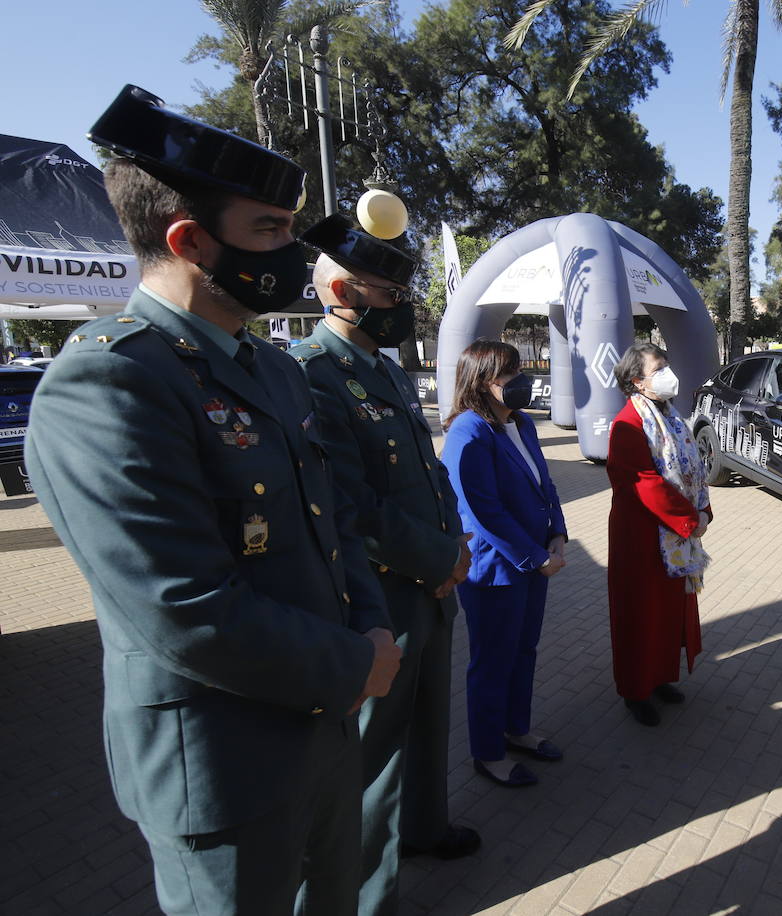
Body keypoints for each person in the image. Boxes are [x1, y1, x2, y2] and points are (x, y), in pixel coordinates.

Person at [23, 85, 401, 915]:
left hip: (327, 734)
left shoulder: (267, 366)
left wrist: (373, 627)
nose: (295, 254)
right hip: (227, 773)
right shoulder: (109, 382)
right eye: (269, 231)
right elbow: (181, 607)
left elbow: (333, 521)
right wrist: (354, 663)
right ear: (189, 241)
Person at [291, 215, 477, 915]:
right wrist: (435, 557)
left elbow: (426, 475)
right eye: (391, 293)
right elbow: (352, 506)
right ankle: (371, 895)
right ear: (342, 289)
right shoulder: (315, 375)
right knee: (372, 759)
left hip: (431, 585)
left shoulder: (383, 370)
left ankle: (426, 829)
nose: (404, 304)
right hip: (383, 596)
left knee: (429, 724)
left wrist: (453, 546)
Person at [440, 340, 567, 788]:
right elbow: (480, 510)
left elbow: (545, 484)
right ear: (481, 382)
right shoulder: (467, 432)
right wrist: (535, 558)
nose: (521, 383)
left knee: (524, 651)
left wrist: (558, 533)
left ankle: (518, 729)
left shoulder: (523, 424)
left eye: (520, 373)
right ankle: (489, 752)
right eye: (509, 376)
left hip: (534, 562)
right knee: (493, 661)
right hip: (496, 570)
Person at [606, 343, 712, 727]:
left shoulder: (671, 416)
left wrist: (702, 510)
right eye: (659, 368)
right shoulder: (627, 424)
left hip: (673, 536)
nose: (668, 373)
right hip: (643, 539)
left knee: (668, 613)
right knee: (640, 614)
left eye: (667, 364)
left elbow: (692, 468)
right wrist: (688, 518)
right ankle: (636, 690)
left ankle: (662, 677)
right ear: (637, 380)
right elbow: (646, 484)